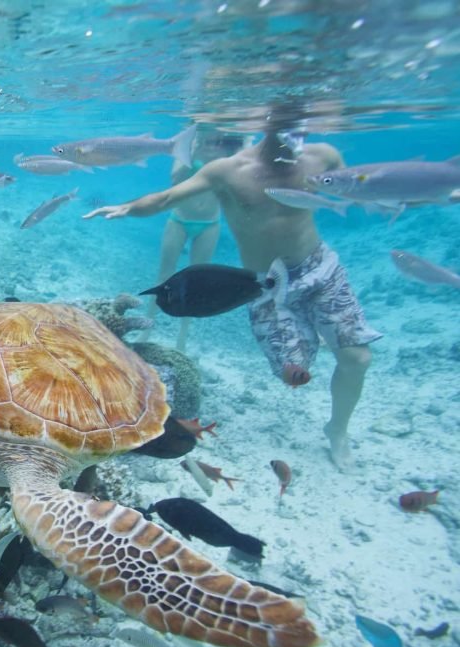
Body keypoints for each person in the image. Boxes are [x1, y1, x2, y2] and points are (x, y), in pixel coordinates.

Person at [84, 116, 381, 469]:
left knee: (357, 359)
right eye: (283, 123)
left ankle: (338, 429)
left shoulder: (324, 156)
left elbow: (354, 188)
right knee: (293, 372)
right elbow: (167, 197)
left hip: (320, 268)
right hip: (264, 283)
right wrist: (129, 207)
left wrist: (422, 192)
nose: (295, 132)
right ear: (263, 124)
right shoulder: (227, 170)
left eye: (300, 123)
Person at [139, 127, 248, 351]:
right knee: (163, 275)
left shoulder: (227, 154)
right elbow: (175, 179)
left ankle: (182, 342)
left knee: (198, 283)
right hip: (179, 220)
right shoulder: (185, 150)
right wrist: (195, 152)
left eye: (215, 140)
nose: (211, 143)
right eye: (206, 139)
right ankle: (145, 330)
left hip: (210, 224)